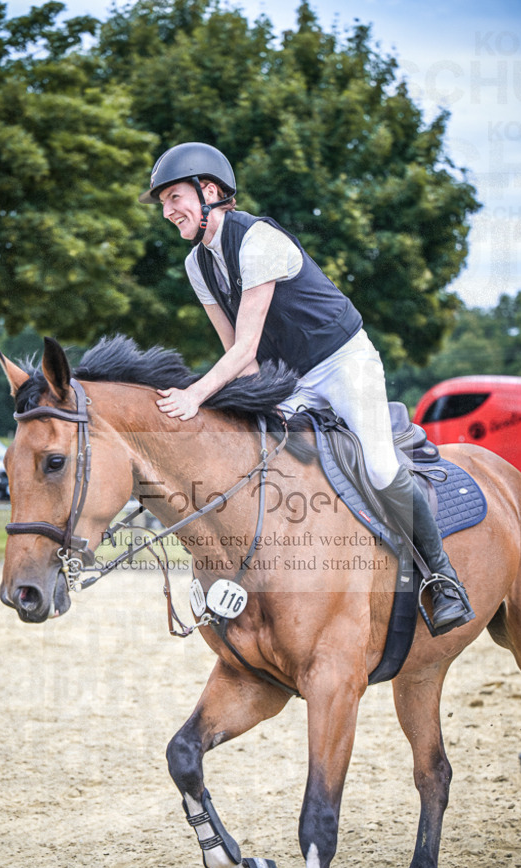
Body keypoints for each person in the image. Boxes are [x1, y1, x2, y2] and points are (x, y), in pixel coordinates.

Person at [140, 142, 474, 633]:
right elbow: (239, 353)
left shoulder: (257, 242)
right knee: (259, 453)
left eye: (174, 198)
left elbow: (243, 349)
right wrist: (262, 406)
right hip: (289, 377)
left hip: (343, 362)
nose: (168, 212)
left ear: (209, 191)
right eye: (164, 203)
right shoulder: (198, 264)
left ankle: (441, 578)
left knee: (380, 467)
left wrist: (194, 395)